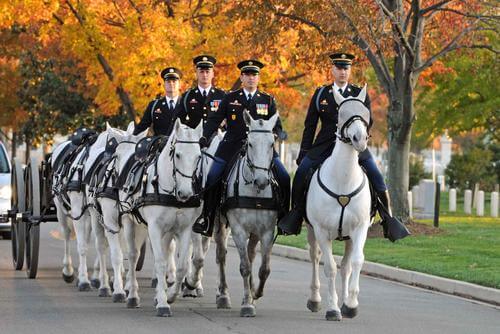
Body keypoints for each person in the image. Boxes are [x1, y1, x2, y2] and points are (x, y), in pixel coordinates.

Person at [277, 52, 397, 237]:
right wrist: (304, 152)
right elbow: (310, 125)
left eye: (346, 69)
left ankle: (388, 220)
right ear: (332, 70)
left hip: (354, 146)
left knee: (377, 176)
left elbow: (368, 121)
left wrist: (359, 138)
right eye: (339, 68)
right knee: (301, 174)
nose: (343, 72)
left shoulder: (358, 93)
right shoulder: (321, 94)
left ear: (350, 71)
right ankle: (296, 216)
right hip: (324, 145)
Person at [192, 59, 290, 237]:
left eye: (255, 75)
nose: (251, 78)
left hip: (261, 151)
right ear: (242, 77)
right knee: (213, 177)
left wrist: (279, 134)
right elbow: (214, 120)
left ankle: (284, 219)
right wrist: (204, 137)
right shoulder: (230, 98)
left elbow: (277, 126)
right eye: (248, 75)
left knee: (284, 177)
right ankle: (207, 218)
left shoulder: (267, 100)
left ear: (258, 78)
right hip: (232, 146)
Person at [176, 55, 226, 128]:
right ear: (196, 74)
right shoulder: (188, 96)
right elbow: (179, 121)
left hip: (216, 136)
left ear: (212, 74)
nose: (204, 75)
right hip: (194, 137)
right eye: (201, 72)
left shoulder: (222, 95)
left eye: (207, 72)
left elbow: (230, 119)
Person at [133, 67, 182, 136]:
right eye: (168, 81)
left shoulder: (186, 105)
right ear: (164, 85)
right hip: (160, 145)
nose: (171, 84)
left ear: (179, 84)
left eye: (174, 81)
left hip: (182, 145)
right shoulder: (154, 105)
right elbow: (142, 128)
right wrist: (130, 139)